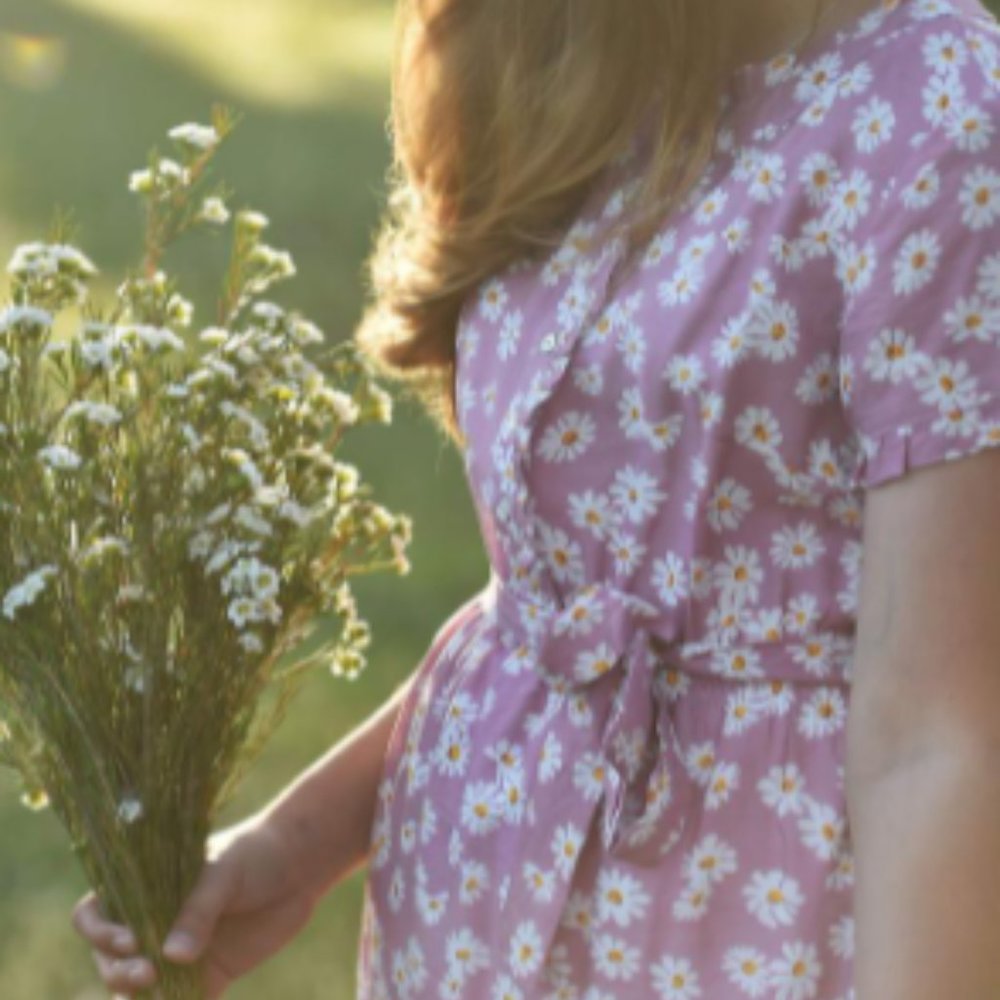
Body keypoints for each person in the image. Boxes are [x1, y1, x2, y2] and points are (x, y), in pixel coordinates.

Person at [73, 0, 1000, 996]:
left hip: (740, 933)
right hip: (467, 924)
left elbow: (937, 733)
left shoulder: (939, 112)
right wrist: (297, 843)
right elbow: (565, 617)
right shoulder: (579, 53)